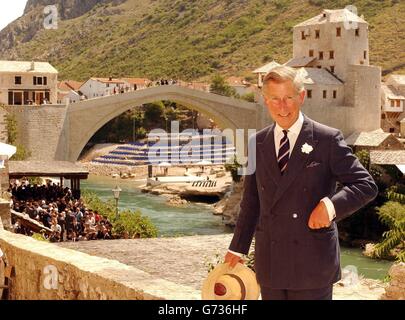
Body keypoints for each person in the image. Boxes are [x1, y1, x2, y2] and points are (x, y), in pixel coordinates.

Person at [224, 66, 378, 300]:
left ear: (302, 97)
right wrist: (238, 246)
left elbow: (365, 184)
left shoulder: (327, 139)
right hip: (271, 261)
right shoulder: (257, 143)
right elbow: (251, 201)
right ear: (265, 100)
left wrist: (330, 207)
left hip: (312, 263)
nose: (282, 106)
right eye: (275, 99)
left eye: (288, 98)